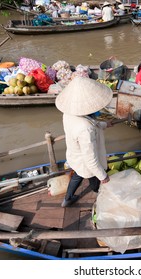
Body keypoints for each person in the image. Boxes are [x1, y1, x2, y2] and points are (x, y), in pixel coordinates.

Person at [55, 77, 114, 207]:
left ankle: (67, 199)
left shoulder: (69, 113)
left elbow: (90, 122)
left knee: (77, 176)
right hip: (86, 162)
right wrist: (103, 176)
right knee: (94, 177)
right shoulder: (85, 129)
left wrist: (104, 124)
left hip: (74, 155)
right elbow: (91, 160)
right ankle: (97, 192)